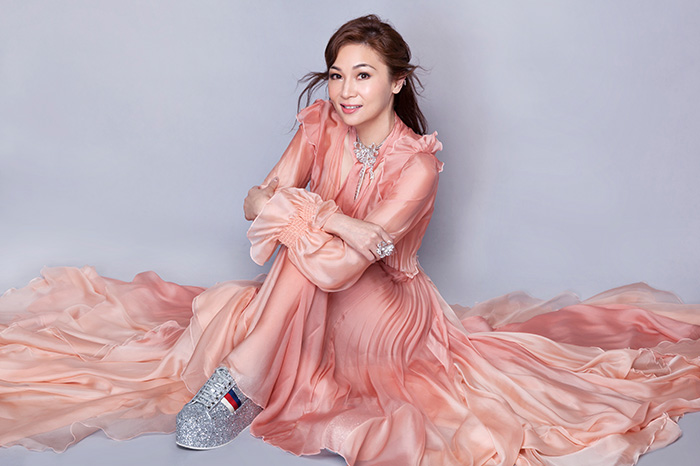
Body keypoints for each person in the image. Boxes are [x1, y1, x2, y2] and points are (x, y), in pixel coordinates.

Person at [1, 14, 699, 466]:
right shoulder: (319, 126)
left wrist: (312, 216)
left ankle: (239, 383)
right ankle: (244, 379)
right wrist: (328, 216)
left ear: (396, 82)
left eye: (362, 75)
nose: (344, 90)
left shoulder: (417, 164)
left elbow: (344, 265)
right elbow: (254, 200)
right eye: (337, 74)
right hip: (313, 281)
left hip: (385, 311)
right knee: (304, 246)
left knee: (309, 254)